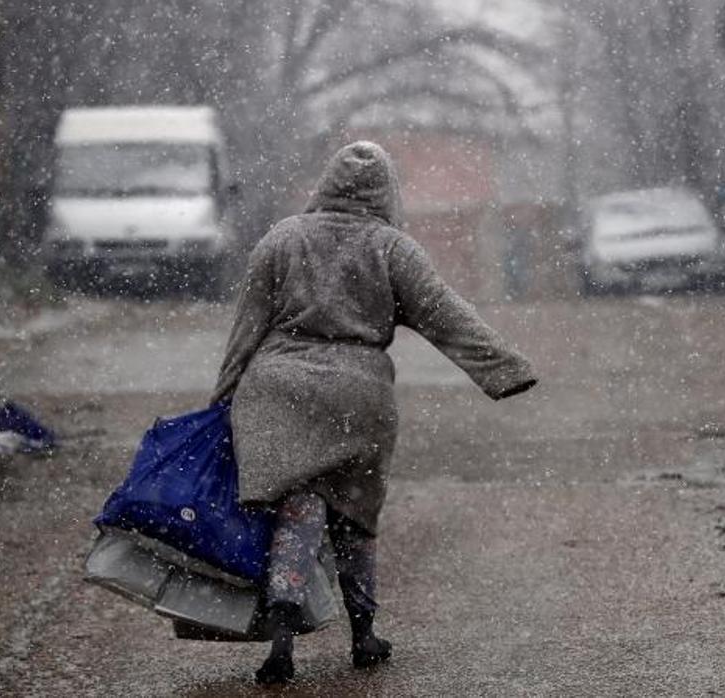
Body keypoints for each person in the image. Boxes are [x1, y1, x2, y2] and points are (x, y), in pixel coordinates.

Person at [210, 141, 538, 685]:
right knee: (355, 513)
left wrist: (220, 400)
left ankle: (283, 624)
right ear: (387, 191)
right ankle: (363, 635)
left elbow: (246, 328)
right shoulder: (392, 249)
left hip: (278, 387)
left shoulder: (284, 238)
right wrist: (504, 369)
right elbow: (445, 315)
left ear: (326, 184)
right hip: (358, 394)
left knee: (298, 501)